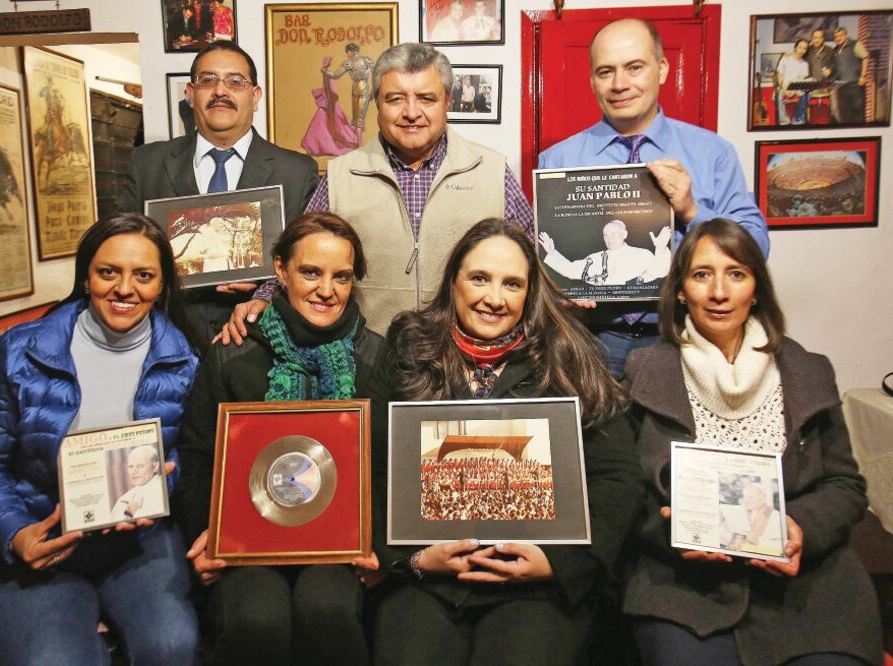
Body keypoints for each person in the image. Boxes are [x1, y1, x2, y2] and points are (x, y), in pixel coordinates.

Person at [366, 218, 644, 665]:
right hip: (429, 579)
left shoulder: (569, 351)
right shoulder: (410, 343)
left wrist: (556, 563)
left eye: (512, 284)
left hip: (536, 584)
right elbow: (372, 463)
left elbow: (619, 479)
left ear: (530, 292)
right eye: (479, 278)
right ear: (453, 281)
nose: (494, 298)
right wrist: (414, 560)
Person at [622, 218, 882, 666]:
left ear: (756, 288)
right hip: (684, 588)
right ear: (681, 290)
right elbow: (624, 493)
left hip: (808, 590)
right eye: (702, 274)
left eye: (736, 274)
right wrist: (670, 530)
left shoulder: (808, 371)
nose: (719, 292)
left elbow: (845, 485)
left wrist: (800, 528)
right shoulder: (643, 373)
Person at [0, 213, 201, 666]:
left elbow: (187, 457)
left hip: (138, 538)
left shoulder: (185, 359)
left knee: (172, 646)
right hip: (43, 529)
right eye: (108, 271)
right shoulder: (21, 349)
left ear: (162, 284)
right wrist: (14, 533)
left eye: (143, 276)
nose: (125, 289)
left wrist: (159, 487)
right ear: (86, 276)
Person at [175, 212, 383, 666]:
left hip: (339, 546)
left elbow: (389, 465)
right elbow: (196, 455)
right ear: (280, 270)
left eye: (341, 277)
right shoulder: (233, 351)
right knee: (257, 617)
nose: (326, 290)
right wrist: (206, 534)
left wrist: (379, 545)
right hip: (247, 541)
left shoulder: (374, 356)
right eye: (310, 272)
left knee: (325, 608)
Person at [227, 42, 534, 339]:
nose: (411, 112)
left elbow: (536, 256)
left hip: (465, 360)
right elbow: (299, 253)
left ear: (448, 102)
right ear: (375, 103)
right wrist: (264, 296)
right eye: (395, 99)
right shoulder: (341, 175)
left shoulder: (491, 170)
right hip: (368, 360)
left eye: (426, 99)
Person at [538, 18, 769, 378]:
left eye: (634, 67)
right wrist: (555, 285)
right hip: (590, 338)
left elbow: (757, 248)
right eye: (605, 72)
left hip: (686, 336)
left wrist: (693, 211)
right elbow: (541, 267)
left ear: (661, 69)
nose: (619, 84)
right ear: (591, 81)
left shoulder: (712, 153)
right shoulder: (557, 162)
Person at [117, 40, 319, 344]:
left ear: (255, 96)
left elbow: (309, 260)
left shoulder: (297, 171)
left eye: (235, 82)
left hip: (260, 340)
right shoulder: (147, 163)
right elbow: (120, 248)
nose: (220, 91)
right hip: (166, 337)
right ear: (190, 93)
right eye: (207, 80)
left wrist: (265, 283)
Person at [538, 220, 671, 286]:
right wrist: (552, 252)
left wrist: (661, 250)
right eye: (605, 235)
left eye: (613, 234)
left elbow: (659, 272)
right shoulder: (594, 258)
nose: (609, 238)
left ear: (624, 234)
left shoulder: (642, 254)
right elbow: (570, 270)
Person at [323, 43, 375, 139]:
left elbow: (335, 75)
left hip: (355, 88)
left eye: (347, 52)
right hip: (364, 88)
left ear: (352, 51)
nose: (346, 55)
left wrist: (325, 71)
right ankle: (358, 146)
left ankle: (358, 146)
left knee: (356, 119)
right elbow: (377, 73)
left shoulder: (348, 62)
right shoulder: (366, 60)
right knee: (359, 119)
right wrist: (374, 91)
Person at [109, 445, 164, 523]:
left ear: (155, 467)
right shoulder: (124, 498)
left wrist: (136, 512)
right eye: (131, 467)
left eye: (140, 466)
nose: (133, 471)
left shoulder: (164, 488)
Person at [832, 26, 869, 124]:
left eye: (840, 36)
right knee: (845, 114)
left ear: (845, 35)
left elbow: (865, 58)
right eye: (836, 37)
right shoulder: (835, 49)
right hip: (841, 86)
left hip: (855, 85)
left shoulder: (855, 44)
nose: (838, 38)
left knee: (858, 112)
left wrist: (863, 76)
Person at [775, 39, 810, 126]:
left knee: (807, 93)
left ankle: (797, 119)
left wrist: (794, 90)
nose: (802, 50)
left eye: (804, 48)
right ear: (795, 48)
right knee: (778, 94)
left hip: (796, 87)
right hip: (784, 86)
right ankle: (784, 121)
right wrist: (784, 88)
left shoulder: (805, 64)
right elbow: (780, 76)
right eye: (800, 47)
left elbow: (801, 79)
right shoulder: (785, 59)